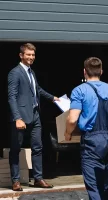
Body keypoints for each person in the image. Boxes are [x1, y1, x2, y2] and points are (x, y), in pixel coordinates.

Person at [64, 57, 108, 200]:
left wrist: (67, 133)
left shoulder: (79, 90)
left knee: (94, 186)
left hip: (92, 141)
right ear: (101, 71)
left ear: (84, 72)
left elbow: (73, 118)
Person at [8, 43, 60, 191]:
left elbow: (37, 90)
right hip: (21, 117)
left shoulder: (32, 72)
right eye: (28, 54)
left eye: (33, 55)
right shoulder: (15, 73)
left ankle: (38, 178)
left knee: (38, 147)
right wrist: (17, 117)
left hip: (35, 115)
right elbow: (11, 97)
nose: (31, 57)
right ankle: (16, 181)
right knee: (16, 149)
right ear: (21, 55)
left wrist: (53, 98)